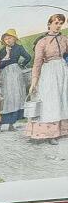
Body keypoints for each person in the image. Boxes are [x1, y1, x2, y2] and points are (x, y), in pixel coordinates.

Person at [30, 14, 68, 142]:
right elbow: (37, 62)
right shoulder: (42, 42)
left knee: (63, 98)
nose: (58, 26)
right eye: (56, 23)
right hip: (49, 73)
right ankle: (51, 134)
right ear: (49, 24)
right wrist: (34, 81)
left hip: (63, 70)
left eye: (60, 23)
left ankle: (62, 130)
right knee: (51, 101)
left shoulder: (64, 39)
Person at [2, 30, 32, 123]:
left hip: (15, 71)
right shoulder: (2, 50)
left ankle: (20, 115)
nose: (8, 40)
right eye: (6, 39)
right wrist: (6, 57)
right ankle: (9, 116)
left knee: (18, 92)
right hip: (5, 72)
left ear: (14, 38)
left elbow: (28, 57)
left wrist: (22, 65)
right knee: (9, 93)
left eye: (10, 38)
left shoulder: (19, 48)